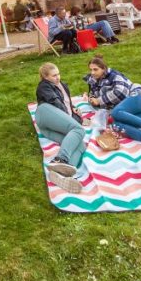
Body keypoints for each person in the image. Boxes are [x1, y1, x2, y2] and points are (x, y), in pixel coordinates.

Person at [34, 63, 87, 194]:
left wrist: (76, 114)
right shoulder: (44, 87)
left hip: (52, 126)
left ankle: (63, 175)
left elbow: (67, 103)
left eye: (58, 74)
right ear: (46, 77)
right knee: (79, 130)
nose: (58, 77)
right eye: (54, 75)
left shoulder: (62, 85)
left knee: (80, 145)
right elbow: (58, 105)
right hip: (44, 114)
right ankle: (59, 159)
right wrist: (73, 120)